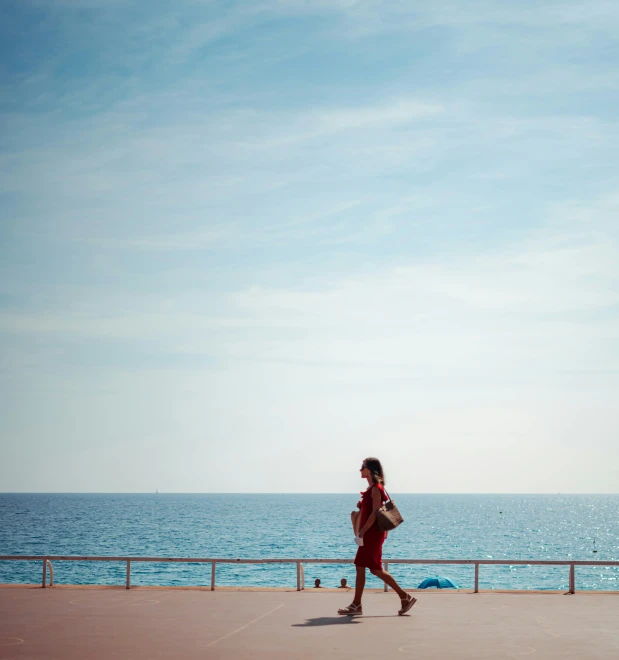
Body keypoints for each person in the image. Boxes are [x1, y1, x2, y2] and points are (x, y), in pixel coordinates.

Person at [338, 457, 416, 617]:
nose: (360, 470)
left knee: (361, 565)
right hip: (371, 533)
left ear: (370, 470)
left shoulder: (375, 489)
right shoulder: (372, 489)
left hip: (372, 534)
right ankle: (404, 597)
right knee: (374, 569)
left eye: (363, 467)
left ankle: (356, 605)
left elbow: (374, 513)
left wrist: (363, 531)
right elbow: (371, 510)